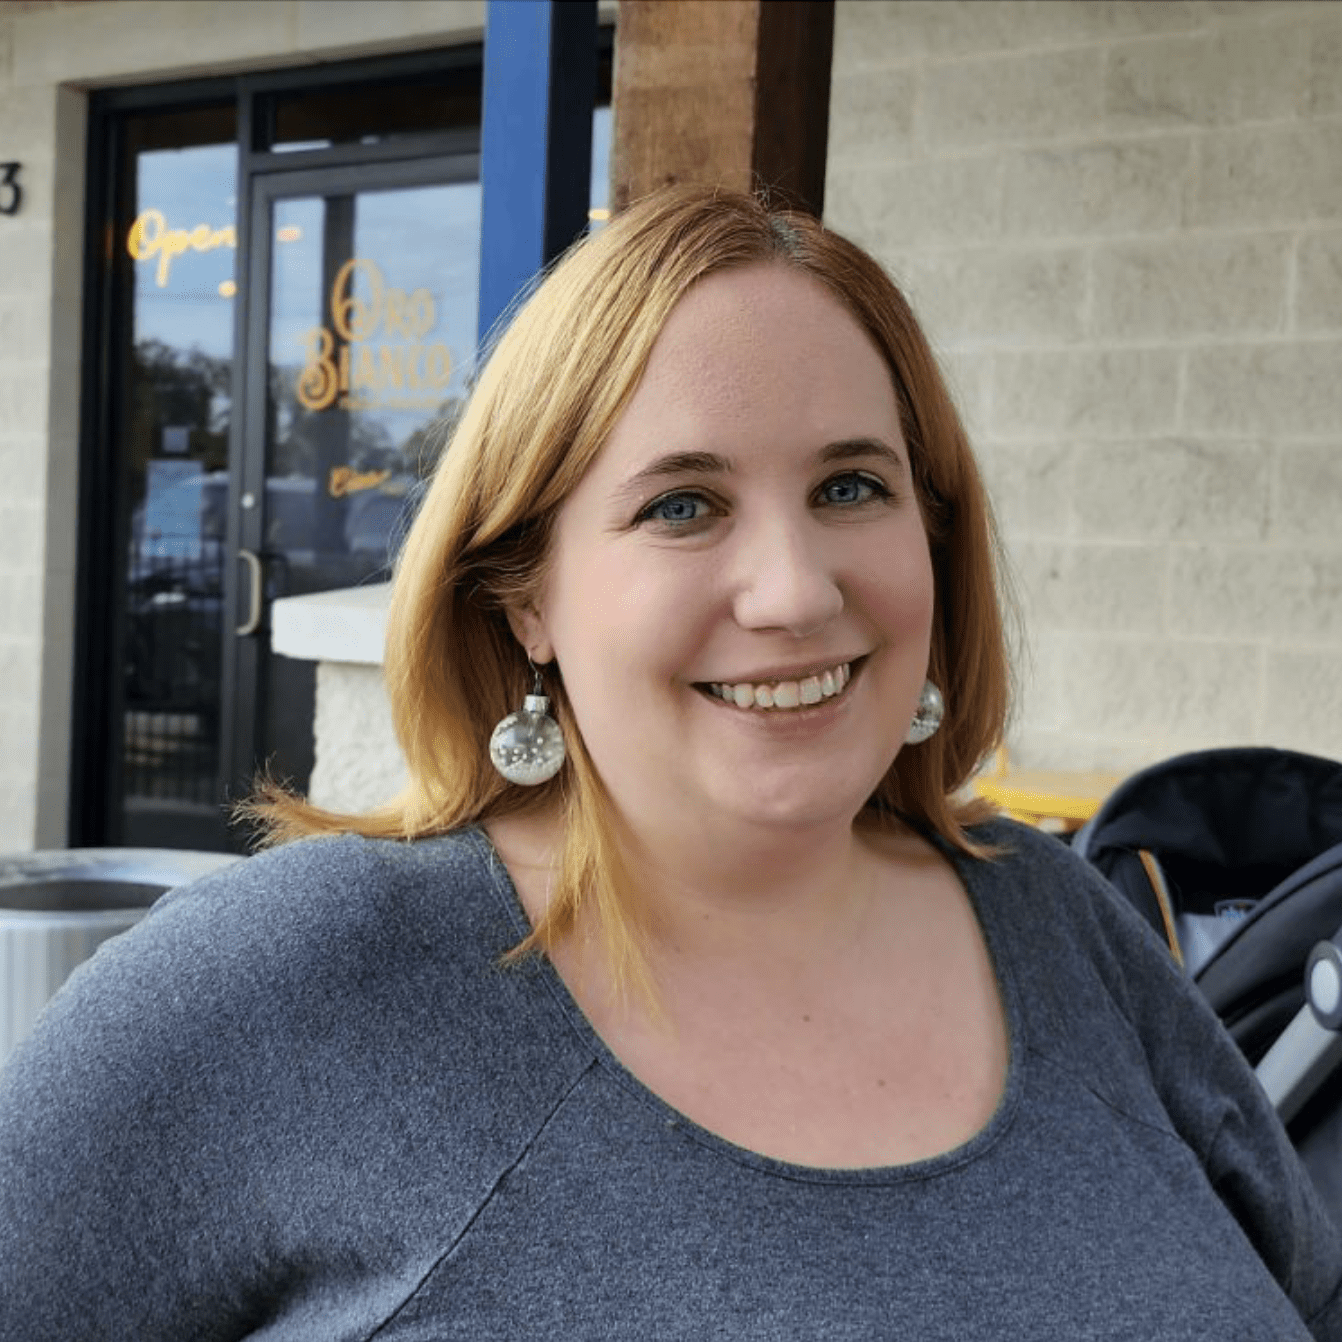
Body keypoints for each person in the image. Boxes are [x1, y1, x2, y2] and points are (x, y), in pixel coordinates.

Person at [2, 186, 1339, 1340]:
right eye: (682, 504)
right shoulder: (292, 983)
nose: (793, 590)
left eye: (850, 486)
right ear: (524, 594)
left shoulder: (1055, 923)